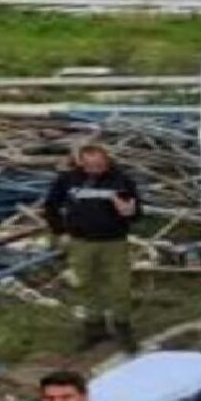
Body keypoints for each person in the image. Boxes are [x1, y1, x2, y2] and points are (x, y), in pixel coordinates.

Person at [42, 142, 143, 353]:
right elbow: (51, 206)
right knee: (86, 284)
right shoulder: (67, 180)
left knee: (120, 286)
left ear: (107, 161)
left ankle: (123, 327)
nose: (96, 169)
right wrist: (60, 231)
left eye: (100, 164)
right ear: (81, 163)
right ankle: (94, 328)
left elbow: (137, 212)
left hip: (114, 241)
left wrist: (129, 212)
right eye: (91, 166)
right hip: (81, 242)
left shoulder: (121, 180)